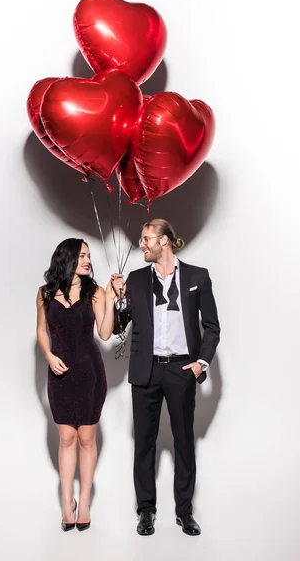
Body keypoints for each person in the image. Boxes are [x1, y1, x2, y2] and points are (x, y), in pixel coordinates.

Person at [111, 219, 220, 536]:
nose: (141, 244)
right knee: (144, 443)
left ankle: (185, 512)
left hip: (181, 369)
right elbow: (119, 328)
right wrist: (118, 299)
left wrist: (201, 363)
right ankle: (145, 511)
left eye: (146, 239)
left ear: (166, 241)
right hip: (146, 370)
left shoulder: (198, 277)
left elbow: (212, 326)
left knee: (184, 442)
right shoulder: (135, 279)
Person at [36, 238, 115, 532]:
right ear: (67, 257)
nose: (88, 260)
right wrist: (48, 355)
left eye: (89, 256)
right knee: (66, 440)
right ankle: (65, 501)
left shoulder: (94, 292)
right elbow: (41, 330)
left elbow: (105, 334)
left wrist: (110, 300)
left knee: (86, 440)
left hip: (90, 374)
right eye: (83, 255)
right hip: (60, 375)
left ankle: (84, 502)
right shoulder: (44, 294)